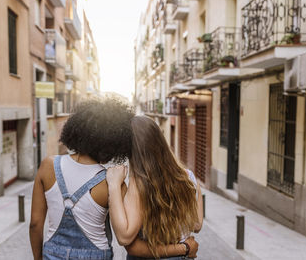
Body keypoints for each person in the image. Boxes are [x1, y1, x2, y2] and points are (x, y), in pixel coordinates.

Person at [29, 99, 198, 260]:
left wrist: (38, 257)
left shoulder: (48, 165)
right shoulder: (110, 182)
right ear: (113, 143)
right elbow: (127, 235)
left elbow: (35, 224)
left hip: (52, 253)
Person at [107, 116, 203, 259]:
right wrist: (184, 247)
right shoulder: (189, 178)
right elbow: (196, 225)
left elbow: (125, 237)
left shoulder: (139, 185)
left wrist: (114, 185)